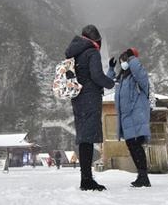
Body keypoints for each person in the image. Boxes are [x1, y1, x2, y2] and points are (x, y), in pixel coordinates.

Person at [65, 25, 115, 191]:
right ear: (96, 39)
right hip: (89, 97)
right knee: (87, 139)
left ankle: (85, 177)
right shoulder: (91, 52)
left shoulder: (76, 53)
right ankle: (86, 180)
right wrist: (111, 83)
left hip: (78, 98)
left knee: (84, 138)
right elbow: (97, 76)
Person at [107, 48, 152, 187]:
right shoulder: (122, 78)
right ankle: (141, 174)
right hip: (126, 117)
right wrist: (111, 68)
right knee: (132, 145)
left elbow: (138, 71)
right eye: (122, 61)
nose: (123, 63)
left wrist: (132, 58)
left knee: (137, 145)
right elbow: (109, 82)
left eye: (125, 60)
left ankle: (144, 176)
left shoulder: (138, 76)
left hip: (137, 115)